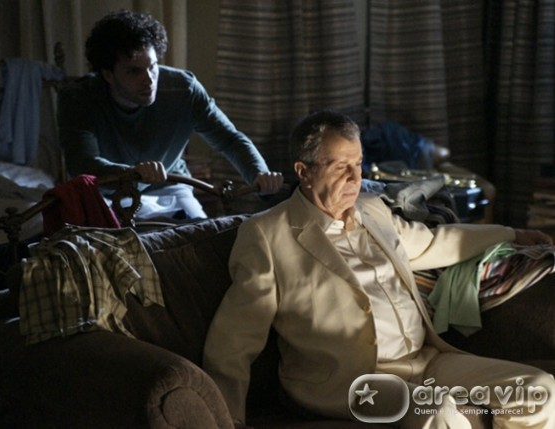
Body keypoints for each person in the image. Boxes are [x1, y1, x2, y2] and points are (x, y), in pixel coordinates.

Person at [202, 110, 555, 428]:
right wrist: (228, 418)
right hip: (351, 383)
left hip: (424, 362)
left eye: (358, 164)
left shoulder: (373, 209)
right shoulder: (267, 235)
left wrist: (511, 234)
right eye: (341, 167)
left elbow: (431, 243)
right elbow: (234, 339)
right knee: (435, 411)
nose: (355, 177)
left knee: (539, 390)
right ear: (304, 172)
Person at [57, 10, 283, 220]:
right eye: (134, 71)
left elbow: (229, 140)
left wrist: (260, 174)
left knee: (204, 237)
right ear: (108, 74)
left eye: (153, 66)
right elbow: (82, 163)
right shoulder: (79, 98)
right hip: (106, 194)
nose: (149, 80)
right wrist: (132, 174)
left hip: (171, 187)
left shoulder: (183, 89)